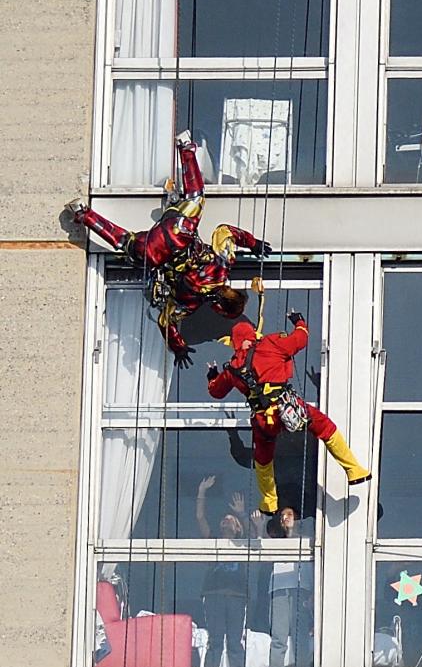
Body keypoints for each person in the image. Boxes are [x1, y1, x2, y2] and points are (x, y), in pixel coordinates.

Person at [65, 132, 270, 365]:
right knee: (122, 241)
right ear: (218, 309)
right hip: (154, 252)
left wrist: (253, 243)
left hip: (178, 231)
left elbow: (226, 232)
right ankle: (82, 212)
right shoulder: (189, 301)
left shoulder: (221, 267)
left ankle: (185, 147)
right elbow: (165, 321)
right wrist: (178, 347)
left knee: (196, 196)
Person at [204, 312, 371, 514]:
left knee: (263, 458)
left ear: (235, 343)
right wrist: (299, 322)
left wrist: (212, 375)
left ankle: (269, 501)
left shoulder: (232, 369)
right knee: (324, 426)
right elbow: (301, 339)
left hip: (263, 419)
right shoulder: (271, 344)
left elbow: (216, 391)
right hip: (288, 407)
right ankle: (354, 470)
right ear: (253, 336)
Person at [192, 475, 258, 667]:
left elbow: (254, 537)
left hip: (237, 595)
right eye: (224, 520)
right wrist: (201, 492)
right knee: (215, 640)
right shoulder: (213, 540)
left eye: (231, 520)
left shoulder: (243, 542)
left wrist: (242, 514)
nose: (226, 522)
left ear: (238, 529)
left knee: (235, 641)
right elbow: (200, 518)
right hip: (213, 593)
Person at [267, 505, 313, 667]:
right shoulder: (276, 542)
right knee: (278, 635)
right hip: (279, 587)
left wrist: (314, 592)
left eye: (290, 514)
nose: (285, 518)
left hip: (300, 588)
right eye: (283, 516)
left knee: (299, 635)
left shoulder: (307, 539)